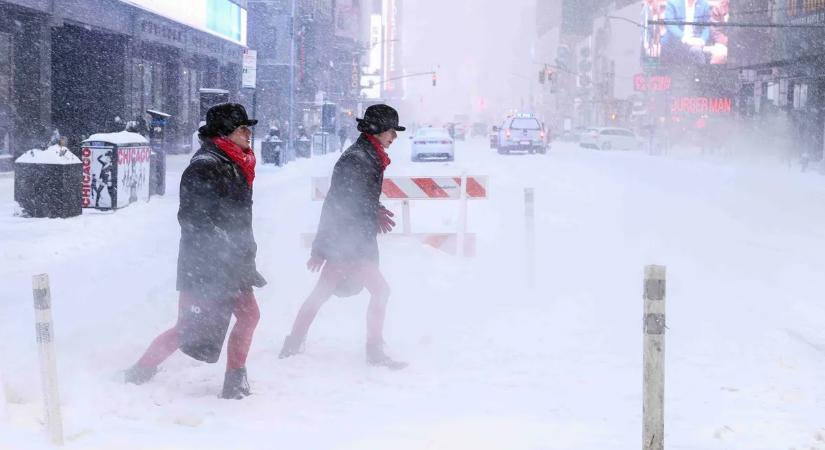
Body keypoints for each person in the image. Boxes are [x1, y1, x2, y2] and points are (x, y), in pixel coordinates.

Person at [125, 103, 267, 399]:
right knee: (187, 329)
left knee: (249, 315)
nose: (248, 133)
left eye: (248, 128)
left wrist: (242, 256)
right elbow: (193, 220)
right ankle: (139, 371)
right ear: (225, 132)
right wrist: (226, 251)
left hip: (232, 263)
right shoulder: (206, 164)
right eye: (242, 128)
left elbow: (236, 218)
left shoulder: (235, 162)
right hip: (206, 265)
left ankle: (234, 380)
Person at [279, 104, 407, 370]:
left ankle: (293, 343)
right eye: (391, 131)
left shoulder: (368, 155)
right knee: (379, 291)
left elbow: (359, 198)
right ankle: (373, 351)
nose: (394, 137)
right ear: (377, 130)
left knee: (324, 293)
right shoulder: (358, 158)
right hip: (349, 241)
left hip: (352, 239)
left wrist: (376, 210)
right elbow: (339, 202)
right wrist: (322, 247)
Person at [660, 0, 711, 65]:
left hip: (694, 43)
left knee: (696, 51)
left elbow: (706, 27)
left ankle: (701, 73)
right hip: (675, 41)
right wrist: (685, 38)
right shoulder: (672, 2)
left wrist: (702, 40)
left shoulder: (704, 4)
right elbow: (670, 24)